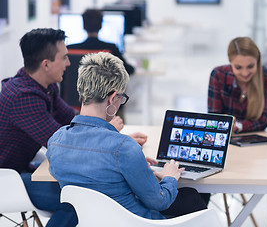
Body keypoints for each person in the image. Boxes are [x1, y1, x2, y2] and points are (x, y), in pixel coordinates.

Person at [46, 52, 207, 219]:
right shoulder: (124, 148)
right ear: (113, 98)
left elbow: (90, 165)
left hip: (90, 221)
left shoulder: (56, 142)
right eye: (121, 98)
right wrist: (170, 176)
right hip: (135, 222)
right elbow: (160, 201)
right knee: (193, 198)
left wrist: (132, 163)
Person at [0, 28, 78, 227]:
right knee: (74, 201)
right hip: (5, 180)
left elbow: (72, 119)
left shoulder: (44, 86)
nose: (69, 63)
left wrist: (104, 129)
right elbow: (63, 143)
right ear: (46, 64)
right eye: (64, 58)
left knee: (77, 190)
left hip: (18, 170)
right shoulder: (23, 97)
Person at [208, 37, 267, 133]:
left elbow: (262, 122)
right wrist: (220, 122)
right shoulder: (218, 75)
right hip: (226, 138)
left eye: (250, 66)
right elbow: (213, 118)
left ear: (257, 61)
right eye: (238, 67)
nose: (245, 73)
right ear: (230, 62)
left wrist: (237, 126)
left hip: (254, 140)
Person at [67, 9, 134, 75]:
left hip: (75, 86)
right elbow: (127, 70)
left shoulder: (70, 49)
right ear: (101, 26)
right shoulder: (111, 49)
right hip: (103, 86)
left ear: (84, 26)